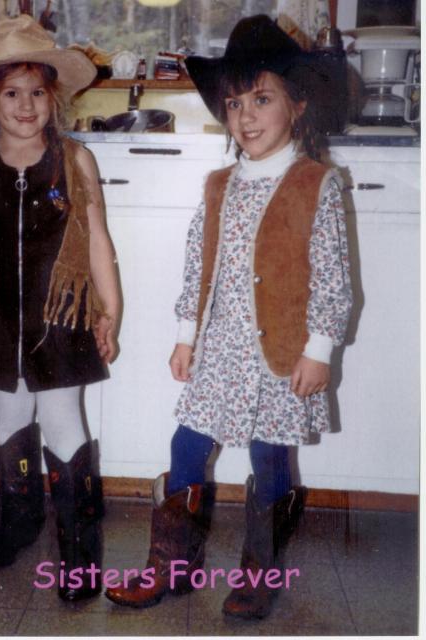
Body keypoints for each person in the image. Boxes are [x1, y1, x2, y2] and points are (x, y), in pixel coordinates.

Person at [105, 15, 352, 619]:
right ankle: (172, 566)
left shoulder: (318, 184)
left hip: (283, 352)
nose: (245, 115)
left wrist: (320, 348)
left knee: (270, 457)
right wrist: (186, 337)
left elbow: (334, 277)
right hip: (219, 349)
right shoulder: (219, 185)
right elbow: (199, 268)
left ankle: (259, 572)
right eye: (235, 102)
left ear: (297, 104)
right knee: (186, 445)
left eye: (261, 98)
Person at [0, 15, 121, 602]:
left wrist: (109, 312)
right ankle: (20, 519)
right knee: (12, 422)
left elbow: (98, 241)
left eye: (37, 92)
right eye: (11, 93)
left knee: (66, 425)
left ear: (53, 98)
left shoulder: (74, 161)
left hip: (61, 325)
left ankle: (79, 545)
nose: (25, 105)